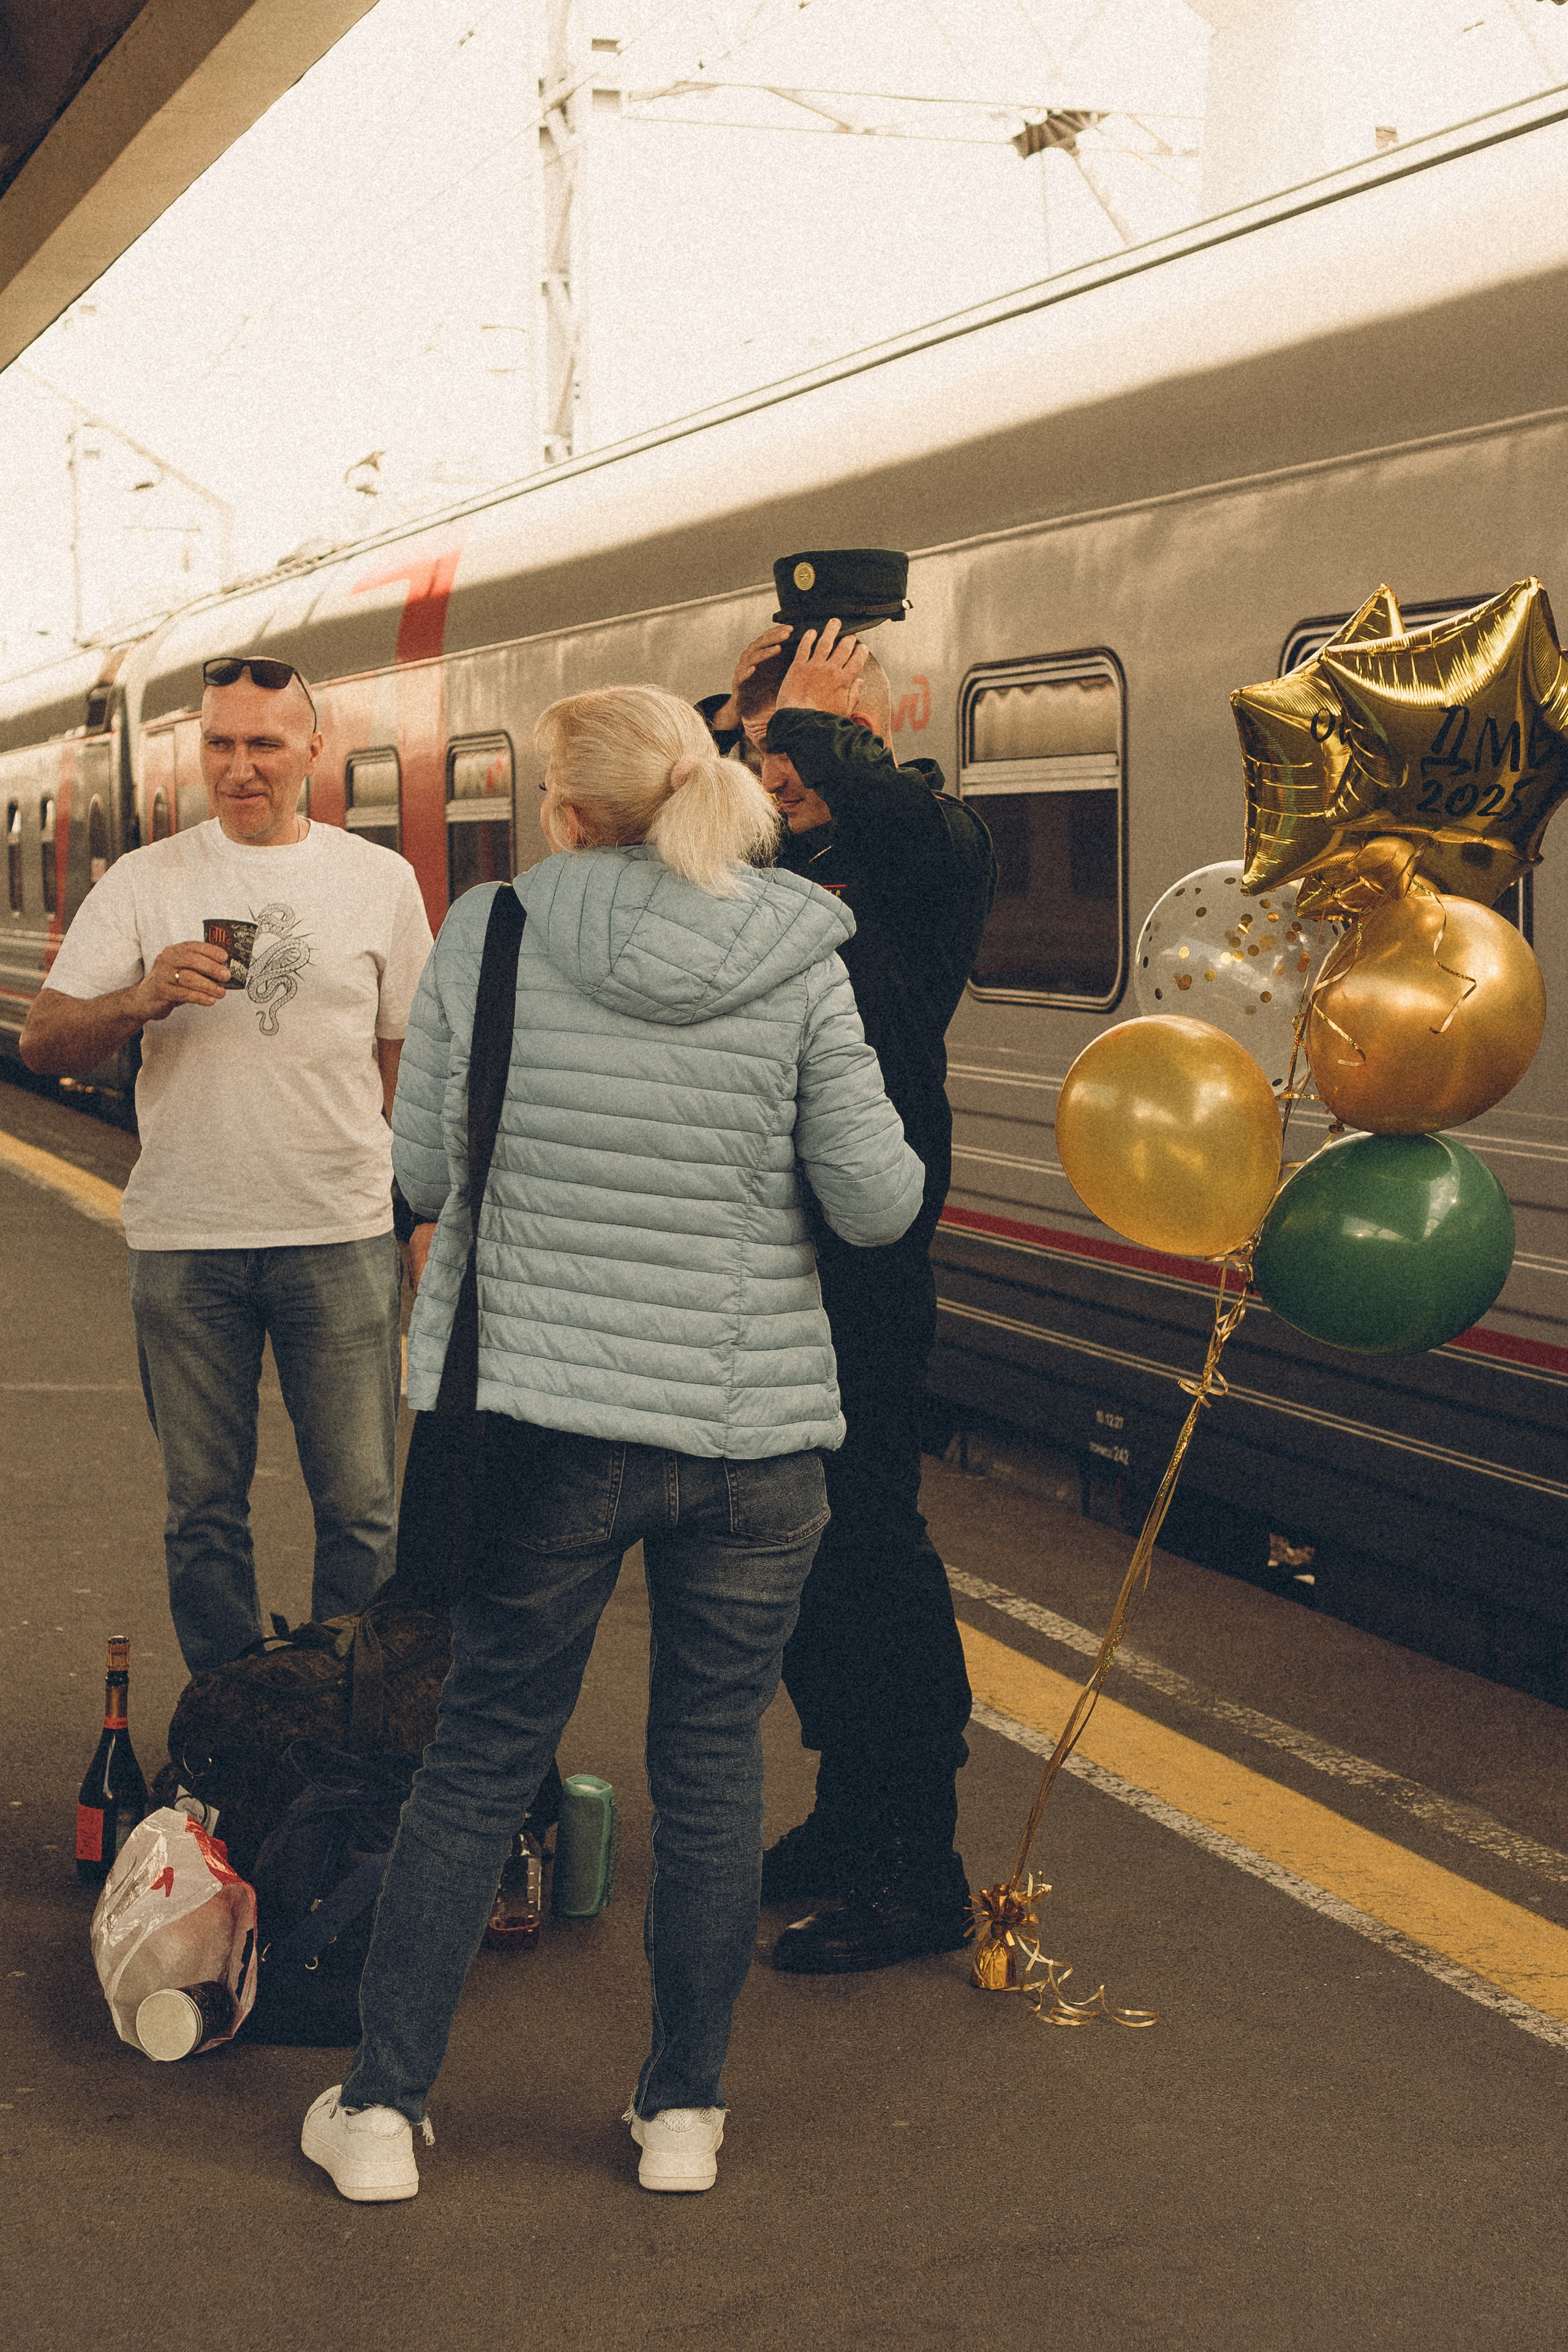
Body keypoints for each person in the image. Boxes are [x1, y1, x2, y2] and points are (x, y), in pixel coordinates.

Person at [300, 683, 924, 2204]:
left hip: (547, 1432)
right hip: (751, 1437)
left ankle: (382, 2115)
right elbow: (877, 1204)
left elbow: (431, 1165)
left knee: (479, 1759)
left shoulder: (494, 932)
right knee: (711, 1770)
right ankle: (682, 2119)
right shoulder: (798, 952)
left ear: (564, 810)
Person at [698, 549, 997, 1976]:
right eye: (774, 759)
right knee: (797, 1558)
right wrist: (744, 727)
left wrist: (821, 728)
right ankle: (845, 1806)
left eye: (810, 754)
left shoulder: (927, 849)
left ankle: (915, 1862)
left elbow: (891, 813)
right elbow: (670, 842)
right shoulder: (763, 862)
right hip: (761, 1258)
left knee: (870, 1549)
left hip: (867, 1269)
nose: (789, 777)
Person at [20, 657, 432, 1672]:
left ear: (312, 751)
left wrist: (419, 1209)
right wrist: (138, 999)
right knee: (203, 1511)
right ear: (199, 749)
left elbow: (407, 1060)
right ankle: (232, 1714)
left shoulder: (379, 881)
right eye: (220, 743)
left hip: (338, 1232)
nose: (240, 767)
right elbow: (41, 1040)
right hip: (186, 1239)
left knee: (364, 1510)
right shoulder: (145, 881)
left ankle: (345, 1723)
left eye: (264, 744)